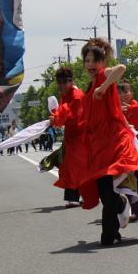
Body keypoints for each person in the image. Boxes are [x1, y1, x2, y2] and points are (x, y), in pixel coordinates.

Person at [74, 38, 138, 246]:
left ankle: (109, 232)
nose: (90, 65)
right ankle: (117, 218)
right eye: (86, 61)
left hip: (115, 142)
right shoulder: (90, 86)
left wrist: (104, 87)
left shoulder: (104, 76)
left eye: (94, 60)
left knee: (108, 187)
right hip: (98, 144)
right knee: (105, 191)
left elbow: (121, 68)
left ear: (103, 62)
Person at [48, 67, 86, 208]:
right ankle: (82, 194)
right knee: (74, 167)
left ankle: (74, 197)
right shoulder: (67, 94)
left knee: (73, 166)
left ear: (72, 80)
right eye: (60, 82)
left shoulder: (77, 95)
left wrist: (56, 117)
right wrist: (56, 116)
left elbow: (68, 113)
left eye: (66, 81)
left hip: (81, 136)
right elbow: (64, 113)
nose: (63, 85)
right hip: (72, 136)